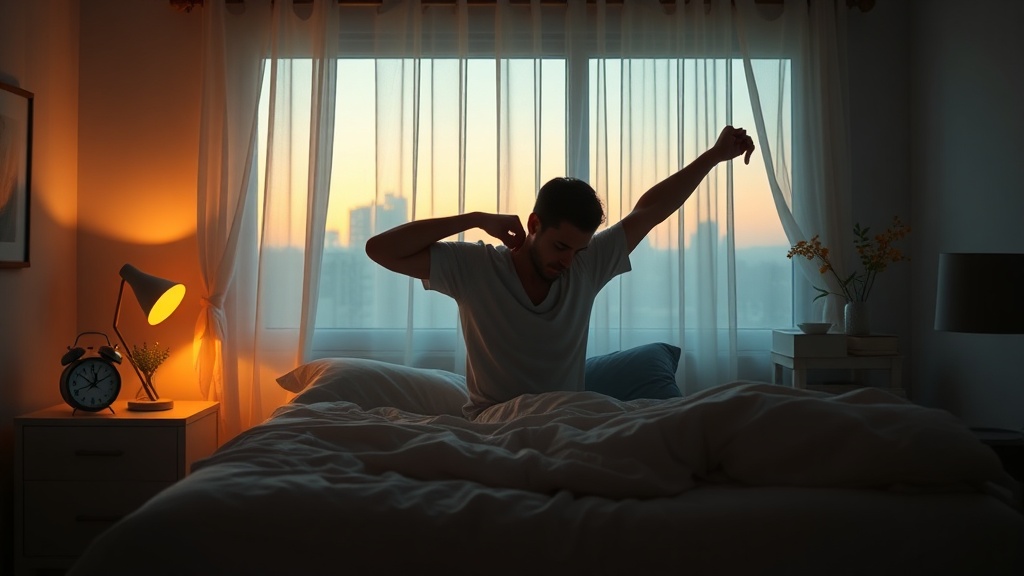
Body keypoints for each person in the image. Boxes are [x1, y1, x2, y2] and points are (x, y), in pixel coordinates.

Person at [366, 125, 755, 418]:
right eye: (560, 247)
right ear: (534, 225)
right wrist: (475, 218)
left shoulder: (585, 265)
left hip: (568, 420)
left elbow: (649, 211)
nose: (568, 261)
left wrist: (714, 155)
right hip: (496, 424)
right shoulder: (476, 268)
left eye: (578, 249)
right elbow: (379, 249)